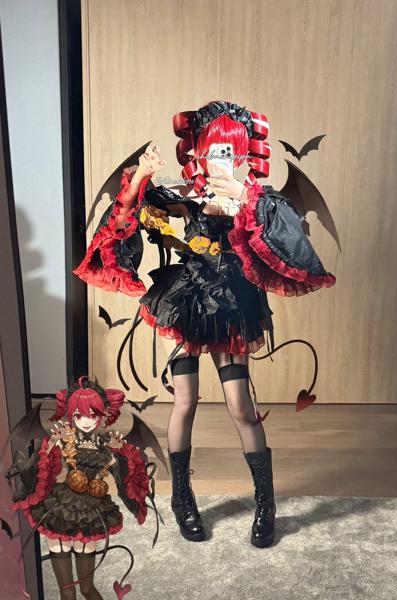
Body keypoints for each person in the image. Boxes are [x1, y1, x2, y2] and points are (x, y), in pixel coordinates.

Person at [73, 100, 336, 549]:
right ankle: (182, 498)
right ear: (197, 149)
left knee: (241, 407)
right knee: (185, 401)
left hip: (233, 306)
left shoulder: (258, 199)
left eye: (229, 151)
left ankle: (266, 503)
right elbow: (124, 220)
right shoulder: (184, 195)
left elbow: (290, 237)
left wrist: (244, 197)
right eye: (213, 150)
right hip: (186, 303)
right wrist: (140, 177)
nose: (220, 159)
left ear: (244, 153)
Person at [6, 376, 153, 599]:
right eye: (78, 415)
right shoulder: (65, 439)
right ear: (70, 415)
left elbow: (127, 477)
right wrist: (51, 445)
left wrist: (121, 454)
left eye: (93, 415)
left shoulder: (106, 444)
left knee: (87, 589)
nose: (86, 421)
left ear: (103, 415)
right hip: (60, 510)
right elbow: (40, 469)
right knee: (67, 592)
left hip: (92, 513)